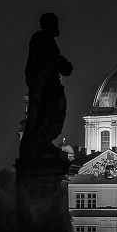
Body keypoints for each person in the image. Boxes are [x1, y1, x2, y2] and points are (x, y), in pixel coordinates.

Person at [20, 12, 73, 158]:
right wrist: (63, 65)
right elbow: (48, 60)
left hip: (49, 85)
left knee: (55, 110)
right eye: (54, 23)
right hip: (44, 87)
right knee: (49, 111)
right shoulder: (40, 39)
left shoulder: (45, 40)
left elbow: (53, 59)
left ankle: (43, 140)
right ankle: (40, 141)